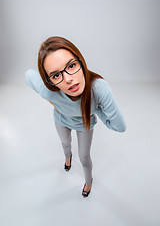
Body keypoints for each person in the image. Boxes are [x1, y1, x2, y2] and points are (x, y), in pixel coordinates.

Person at [25, 36, 126, 198]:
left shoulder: (99, 89)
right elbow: (28, 75)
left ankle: (89, 181)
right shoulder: (48, 91)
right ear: (50, 81)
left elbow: (120, 126)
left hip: (85, 123)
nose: (68, 79)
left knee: (84, 157)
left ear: (81, 61)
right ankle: (67, 159)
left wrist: (95, 109)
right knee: (65, 143)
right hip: (61, 120)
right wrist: (55, 104)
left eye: (71, 66)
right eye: (56, 75)